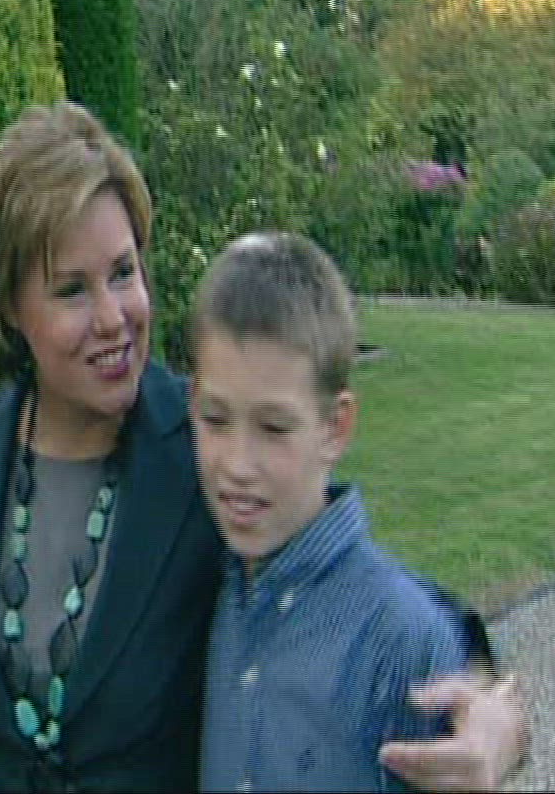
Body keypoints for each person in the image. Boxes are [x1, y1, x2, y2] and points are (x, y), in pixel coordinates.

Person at [0, 102, 528, 793]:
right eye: (72, 290)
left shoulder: (205, 446)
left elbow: (361, 582)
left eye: (124, 272)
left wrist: (498, 714)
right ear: (10, 307)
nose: (114, 317)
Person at [190, 230, 474, 791]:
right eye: (215, 419)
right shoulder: (211, 583)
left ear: (335, 427)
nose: (238, 464)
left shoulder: (401, 639)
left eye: (274, 428)